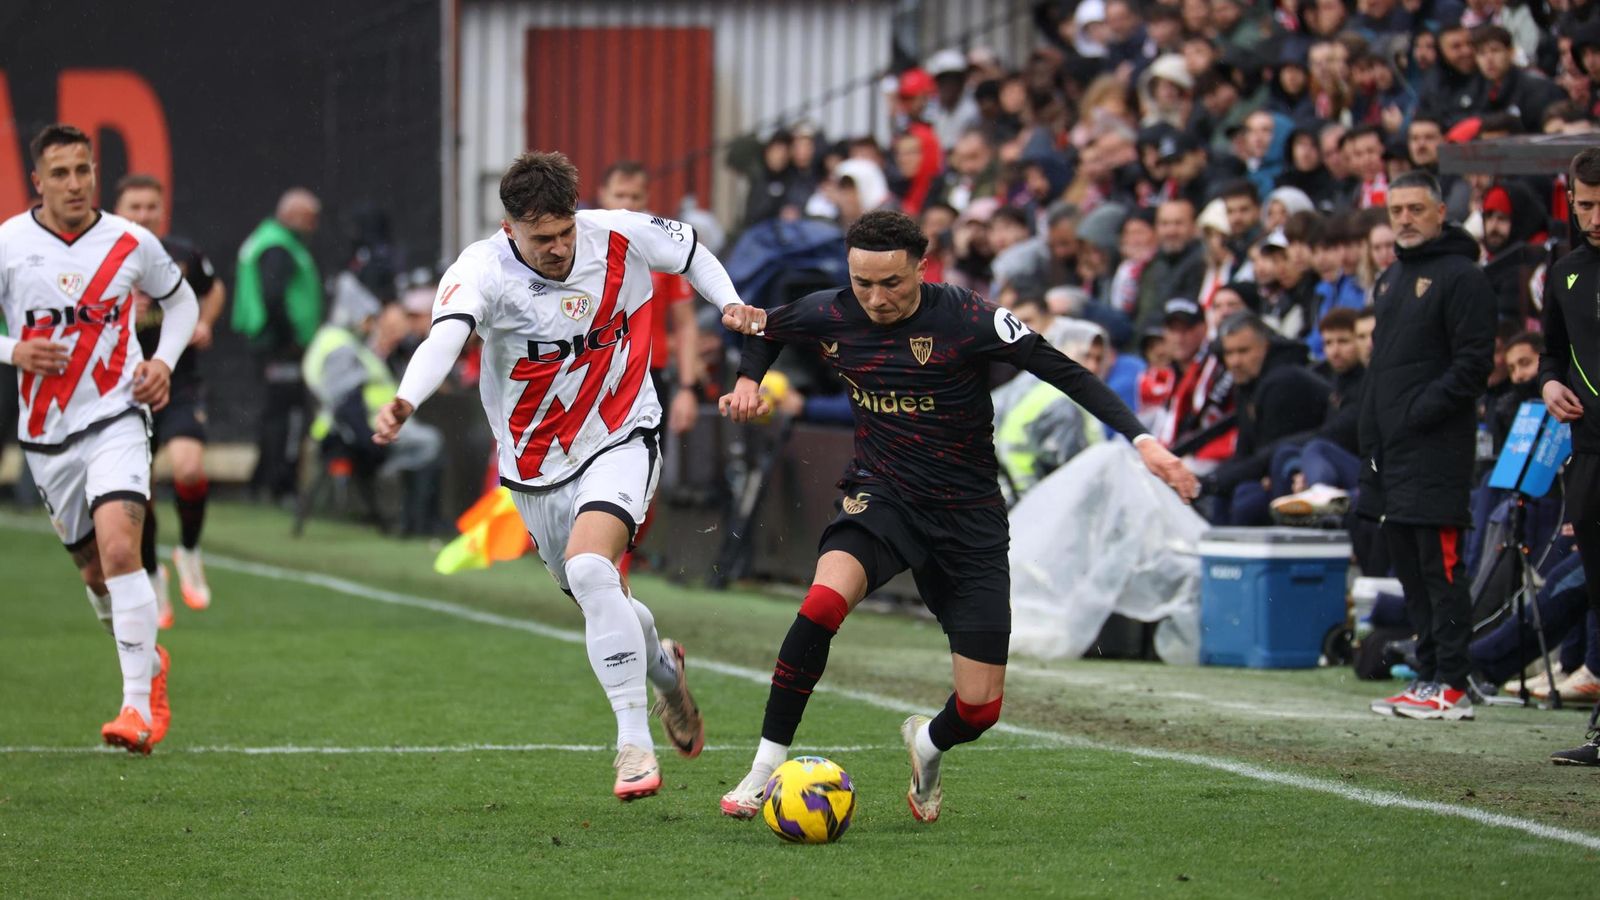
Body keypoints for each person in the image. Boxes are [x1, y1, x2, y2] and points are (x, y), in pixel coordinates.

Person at [714, 210, 1197, 822]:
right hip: (882, 496)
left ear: (923, 263)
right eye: (862, 282)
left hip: (968, 517)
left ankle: (927, 745)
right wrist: (749, 380)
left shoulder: (970, 319)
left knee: (979, 709)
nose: (875, 298)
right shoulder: (830, 310)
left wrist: (1144, 441)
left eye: (891, 282)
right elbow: (766, 330)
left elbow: (1067, 372)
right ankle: (763, 767)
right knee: (821, 605)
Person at [373, 151, 763, 800]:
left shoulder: (618, 233)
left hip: (622, 434)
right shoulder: (481, 271)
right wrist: (407, 399)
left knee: (590, 569)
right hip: (533, 468)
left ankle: (632, 744)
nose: (557, 248)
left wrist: (728, 302)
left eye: (564, 231)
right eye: (540, 238)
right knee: (597, 591)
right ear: (509, 228)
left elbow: (690, 251)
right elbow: (444, 337)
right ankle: (666, 673)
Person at [0, 124, 200, 753]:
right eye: (60, 173)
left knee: (121, 553)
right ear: (38, 181)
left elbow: (184, 303)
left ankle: (136, 708)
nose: (75, 184)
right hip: (45, 435)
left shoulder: (131, 242)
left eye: (83, 170)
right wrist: (14, 350)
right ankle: (151, 663)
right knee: (94, 574)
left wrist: (162, 361)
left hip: (117, 417)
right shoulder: (8, 244)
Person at [1362, 171, 1496, 722]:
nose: (1405, 219)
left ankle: (1454, 682)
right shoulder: (1391, 279)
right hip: (1392, 453)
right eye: (1396, 210)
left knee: (1441, 568)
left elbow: (1473, 365)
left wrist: (1417, 413)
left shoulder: (1463, 277)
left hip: (1436, 448)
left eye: (1416, 209)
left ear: (1442, 212)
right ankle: (1428, 674)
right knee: (1411, 568)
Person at [112, 174, 224, 616]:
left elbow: (213, 290)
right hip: (123, 388)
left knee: (189, 468)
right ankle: (153, 574)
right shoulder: (101, 257)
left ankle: (190, 553)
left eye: (150, 207)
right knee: (139, 494)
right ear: (117, 211)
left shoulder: (181, 255)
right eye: (134, 207)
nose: (143, 215)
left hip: (179, 381)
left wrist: (206, 322)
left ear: (162, 211)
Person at [1538, 147, 1600, 763]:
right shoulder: (1566, 272)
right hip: (1589, 453)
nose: (1595, 215)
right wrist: (1549, 384)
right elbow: (1551, 352)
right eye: (1585, 204)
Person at [235, 188, 323, 504]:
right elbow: (273, 295)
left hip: (267, 342)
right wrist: (290, 339)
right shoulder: (279, 247)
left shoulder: (266, 238)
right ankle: (280, 485)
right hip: (280, 345)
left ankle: (260, 481)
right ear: (294, 215)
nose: (314, 226)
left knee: (273, 412)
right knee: (287, 415)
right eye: (311, 219)